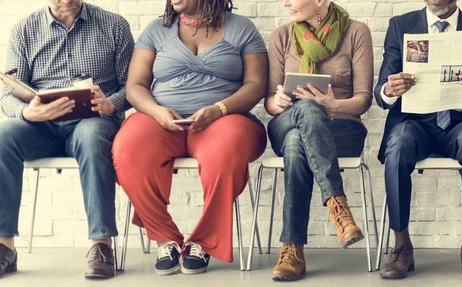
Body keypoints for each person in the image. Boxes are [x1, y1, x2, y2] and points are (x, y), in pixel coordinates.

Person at [111, 0, 267, 276]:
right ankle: (165, 237)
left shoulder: (242, 29)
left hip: (224, 119)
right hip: (161, 121)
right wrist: (156, 111)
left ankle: (203, 242)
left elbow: (256, 85)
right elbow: (135, 85)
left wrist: (220, 109)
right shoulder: (156, 30)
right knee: (127, 149)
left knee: (225, 153)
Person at [0, 0, 133, 279]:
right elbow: (9, 90)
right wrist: (27, 112)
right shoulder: (23, 30)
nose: (67, 1)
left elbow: (133, 85)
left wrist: (112, 103)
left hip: (92, 120)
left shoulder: (114, 25)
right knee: (4, 136)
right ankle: (4, 246)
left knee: (92, 136)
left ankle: (101, 245)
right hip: (41, 127)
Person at [374, 0, 462, 280]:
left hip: (460, 122)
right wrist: (389, 89)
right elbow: (381, 92)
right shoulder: (401, 26)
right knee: (397, 145)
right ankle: (401, 246)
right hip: (414, 121)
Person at [265, 0, 373, 281]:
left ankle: (292, 249)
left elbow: (363, 99)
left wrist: (332, 103)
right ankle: (339, 209)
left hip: (342, 128)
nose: (285, 3)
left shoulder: (356, 32)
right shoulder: (282, 35)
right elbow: (268, 103)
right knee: (306, 110)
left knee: (296, 144)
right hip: (287, 119)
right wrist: (278, 101)